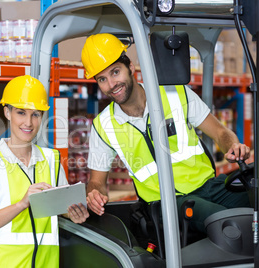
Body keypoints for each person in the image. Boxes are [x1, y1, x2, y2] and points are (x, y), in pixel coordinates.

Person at [82, 33, 251, 234]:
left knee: (252, 199)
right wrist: (94, 194)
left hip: (209, 187)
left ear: (131, 68)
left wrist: (232, 145)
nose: (111, 84)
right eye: (102, 79)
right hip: (165, 204)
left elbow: (221, 132)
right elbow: (96, 181)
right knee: (224, 221)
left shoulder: (176, 94)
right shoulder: (103, 125)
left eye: (115, 72)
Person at [0, 75, 89, 268]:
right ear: (7, 113)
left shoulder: (52, 160)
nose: (28, 123)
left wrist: (74, 213)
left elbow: (62, 208)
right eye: (21, 113)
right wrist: (21, 204)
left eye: (35, 114)